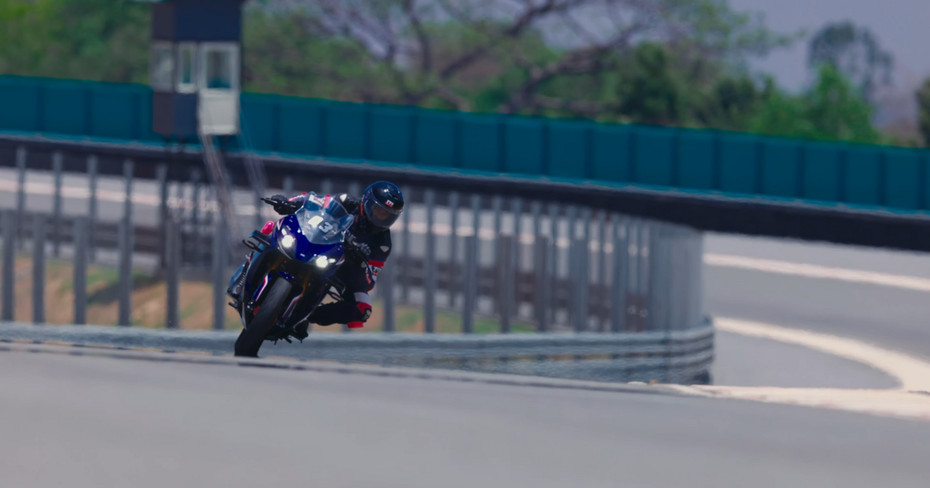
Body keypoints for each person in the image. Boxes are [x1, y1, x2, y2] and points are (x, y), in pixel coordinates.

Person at [226, 181, 404, 340]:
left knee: (363, 310)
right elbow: (313, 200)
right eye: (379, 211)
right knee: (274, 228)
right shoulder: (347, 201)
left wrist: (362, 260)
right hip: (316, 244)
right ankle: (244, 273)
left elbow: (369, 281)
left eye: (388, 215)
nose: (382, 218)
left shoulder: (383, 244)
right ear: (366, 202)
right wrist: (289, 202)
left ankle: (307, 316)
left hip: (341, 267)